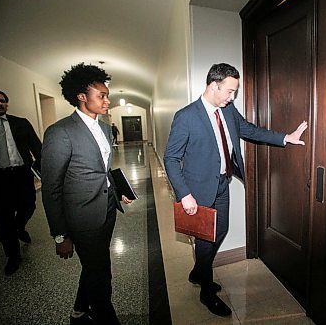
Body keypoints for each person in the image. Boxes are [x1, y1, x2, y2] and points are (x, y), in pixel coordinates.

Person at [163, 63, 307, 317]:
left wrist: (285, 138)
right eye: (229, 91)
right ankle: (206, 291)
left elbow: (249, 130)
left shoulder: (228, 111)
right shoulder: (186, 116)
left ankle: (199, 272)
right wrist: (185, 194)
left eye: (235, 92)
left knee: (222, 230)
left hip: (222, 184)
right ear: (212, 85)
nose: (232, 97)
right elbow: (171, 158)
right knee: (206, 240)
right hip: (197, 190)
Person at [41, 63, 133, 325]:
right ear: (82, 97)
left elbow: (102, 169)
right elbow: (51, 187)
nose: (107, 100)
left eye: (107, 95)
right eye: (101, 95)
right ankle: (106, 315)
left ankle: (79, 311)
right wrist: (60, 234)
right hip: (81, 217)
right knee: (101, 271)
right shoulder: (61, 132)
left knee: (94, 265)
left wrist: (117, 190)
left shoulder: (104, 128)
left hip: (106, 209)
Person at [0, 88, 42, 276]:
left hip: (21, 174)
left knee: (28, 206)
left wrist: (41, 168)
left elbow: (37, 147)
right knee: (2, 218)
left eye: (2, 101)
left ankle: (19, 226)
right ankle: (13, 256)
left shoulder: (20, 123)